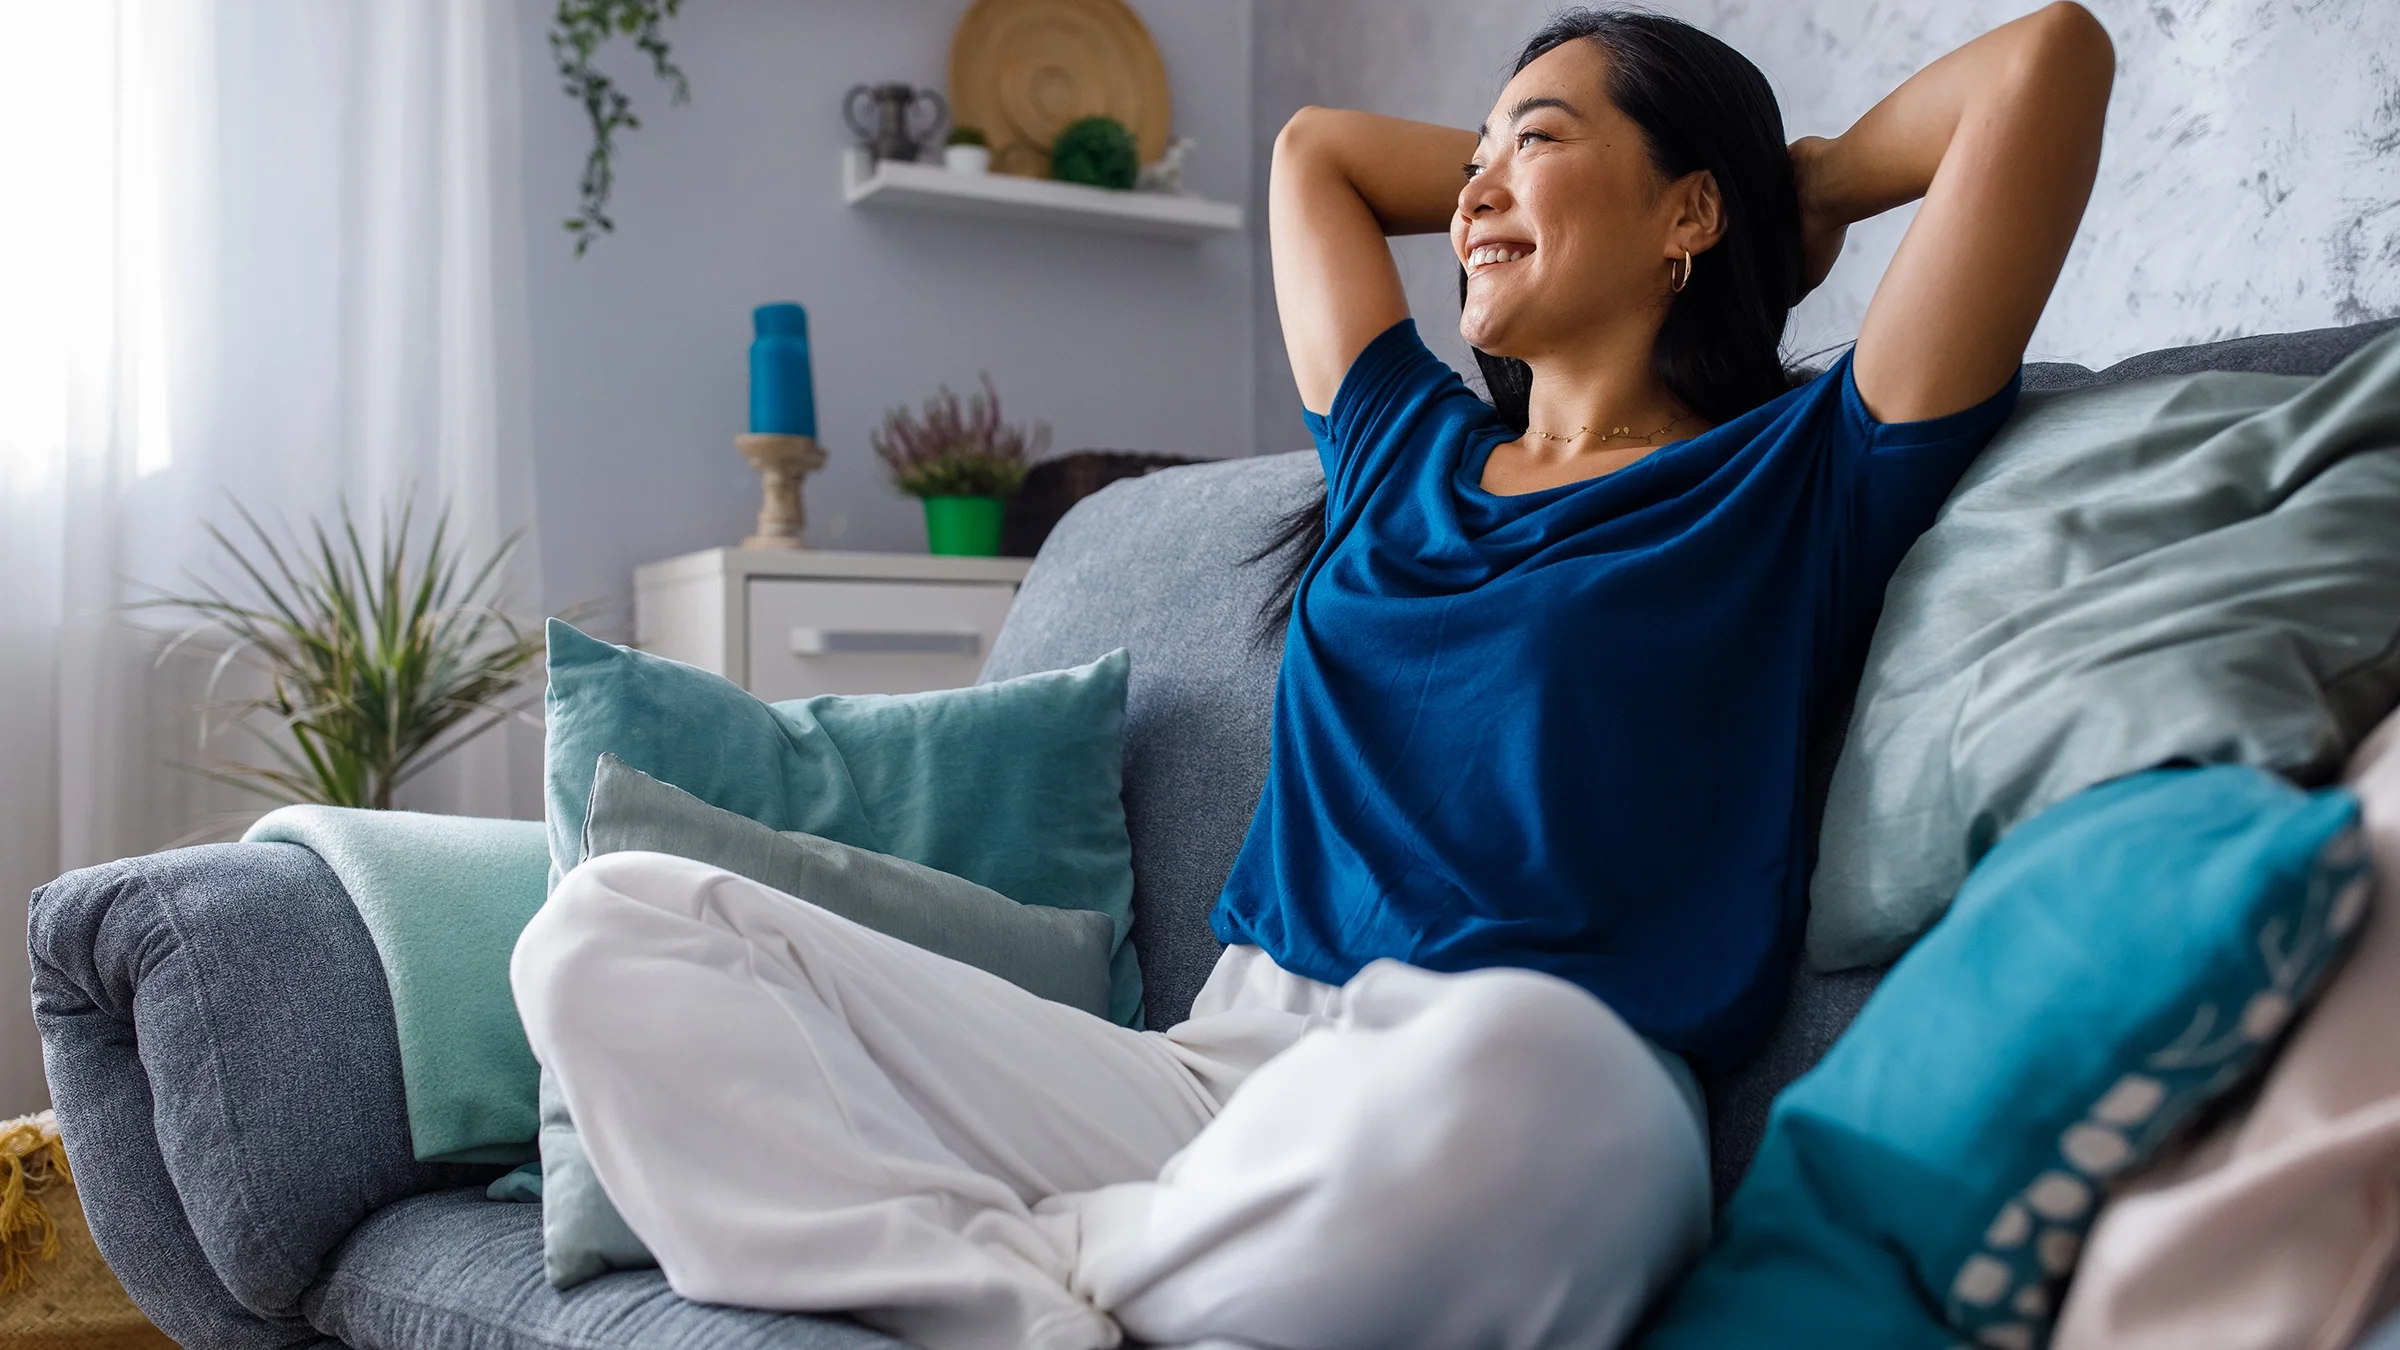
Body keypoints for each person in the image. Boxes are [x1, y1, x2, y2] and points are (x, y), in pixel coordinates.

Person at [511, 7, 2113, 1349]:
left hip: (1524, 1079)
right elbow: (1314, 158)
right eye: (1473, 157)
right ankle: (1039, 1293)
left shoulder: (1800, 476)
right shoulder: (1405, 449)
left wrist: (1791, 181)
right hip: (1217, 1069)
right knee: (617, 924)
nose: (1476, 189)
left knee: (1556, 1098)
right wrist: (1530, 166)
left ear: (1690, 213)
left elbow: (2046, 61)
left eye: (1533, 141)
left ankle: (1055, 1262)